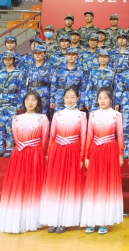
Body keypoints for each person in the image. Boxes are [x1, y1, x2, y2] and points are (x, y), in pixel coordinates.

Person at [0, 91, 50, 234]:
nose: (30, 102)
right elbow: (15, 137)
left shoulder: (43, 118)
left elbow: (44, 140)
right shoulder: (16, 118)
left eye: (33, 100)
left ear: (38, 102)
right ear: (24, 102)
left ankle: (31, 220)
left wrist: (38, 152)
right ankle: (16, 220)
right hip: (19, 154)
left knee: (32, 184)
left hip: (35, 153)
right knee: (18, 184)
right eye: (28, 99)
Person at [39, 87, 87, 234]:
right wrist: (49, 153)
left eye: (73, 97)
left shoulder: (82, 115)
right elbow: (52, 135)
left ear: (78, 99)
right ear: (63, 98)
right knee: (55, 184)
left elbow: (84, 137)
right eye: (67, 97)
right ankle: (53, 220)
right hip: (57, 150)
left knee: (69, 184)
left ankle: (65, 221)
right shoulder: (57, 114)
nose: (69, 99)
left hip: (73, 151)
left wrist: (82, 157)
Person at [81, 89, 124, 234]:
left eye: (105, 98)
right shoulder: (93, 114)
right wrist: (86, 156)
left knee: (106, 184)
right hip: (95, 150)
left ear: (111, 99)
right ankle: (91, 220)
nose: (102, 100)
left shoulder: (116, 115)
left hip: (110, 150)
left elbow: (120, 135)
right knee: (93, 184)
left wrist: (120, 154)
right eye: (100, 98)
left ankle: (104, 221)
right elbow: (89, 135)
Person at [0, 51, 26, 159]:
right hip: (0, 104)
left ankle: (9, 149)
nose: (7, 61)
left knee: (10, 128)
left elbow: (22, 90)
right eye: (5, 59)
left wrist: (19, 103)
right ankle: (0, 149)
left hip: (12, 104)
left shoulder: (19, 73)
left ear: (13, 60)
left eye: (9, 59)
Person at [50, 47, 85, 112]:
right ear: (66, 56)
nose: (71, 57)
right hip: (60, 98)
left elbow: (83, 88)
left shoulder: (80, 70)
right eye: (69, 54)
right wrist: (52, 100)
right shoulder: (59, 69)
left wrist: (82, 102)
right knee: (59, 116)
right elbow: (54, 85)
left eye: (73, 54)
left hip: (74, 98)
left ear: (77, 56)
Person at [24, 45, 52, 116]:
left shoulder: (49, 67)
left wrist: (51, 98)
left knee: (42, 116)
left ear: (44, 54)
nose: (38, 55)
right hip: (31, 94)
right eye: (36, 53)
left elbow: (52, 84)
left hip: (43, 95)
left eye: (40, 53)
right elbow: (24, 82)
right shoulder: (29, 67)